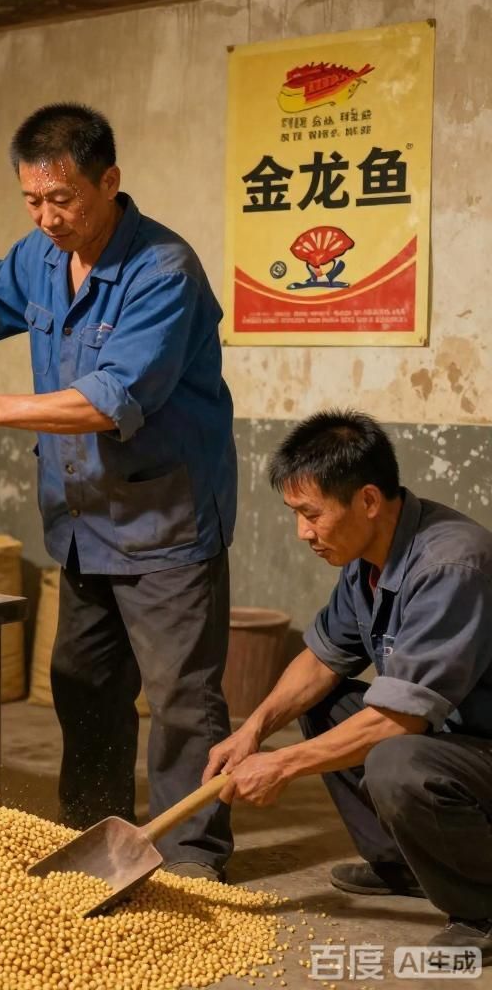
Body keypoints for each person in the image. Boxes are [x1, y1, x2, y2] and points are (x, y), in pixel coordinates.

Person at [0, 103, 237, 879]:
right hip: (83, 520)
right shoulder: (41, 257)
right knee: (83, 684)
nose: (47, 218)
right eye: (32, 200)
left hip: (163, 521)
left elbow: (114, 399)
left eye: (62, 199)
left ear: (109, 182)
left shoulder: (163, 271)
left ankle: (193, 855)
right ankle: (94, 834)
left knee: (182, 701)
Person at [205, 410, 492, 958]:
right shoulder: (366, 560)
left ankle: (482, 906)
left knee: (396, 760)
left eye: (311, 514)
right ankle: (405, 865)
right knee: (324, 706)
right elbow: (321, 661)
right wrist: (254, 731)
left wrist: (282, 765)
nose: (303, 533)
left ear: (368, 500)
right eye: (296, 514)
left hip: (479, 747)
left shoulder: (452, 565)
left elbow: (400, 720)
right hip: (456, 741)